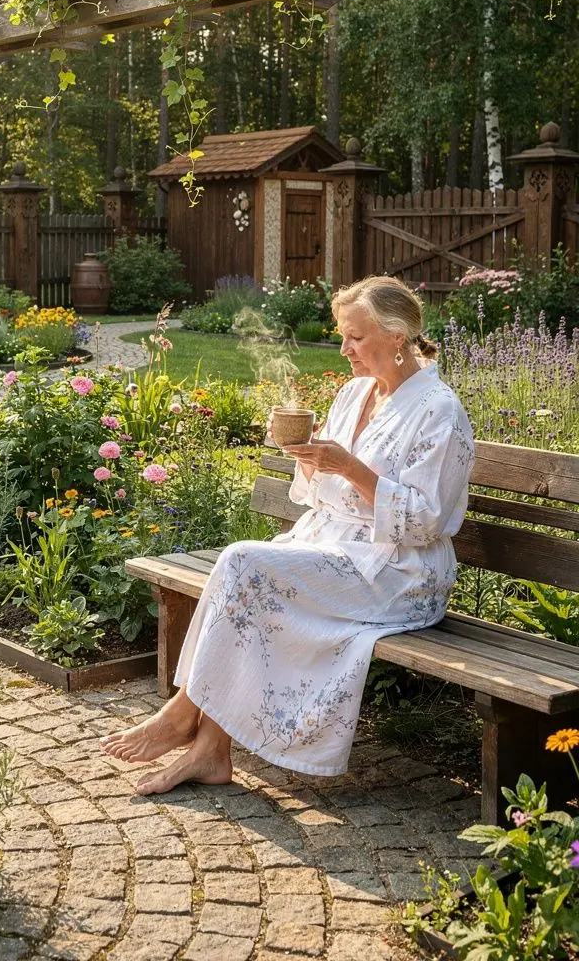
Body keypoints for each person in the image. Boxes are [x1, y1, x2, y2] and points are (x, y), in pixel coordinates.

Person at [102, 275, 475, 795]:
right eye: (342, 335)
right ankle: (209, 749)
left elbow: (428, 520)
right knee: (244, 575)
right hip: (335, 548)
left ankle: (182, 717)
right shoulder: (353, 392)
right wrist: (311, 458)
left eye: (355, 338)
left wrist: (350, 469)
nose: (344, 349)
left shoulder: (439, 411)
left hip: (400, 573)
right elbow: (320, 494)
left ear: (397, 336)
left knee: (244, 564)